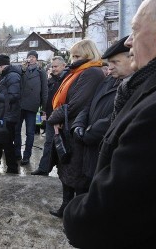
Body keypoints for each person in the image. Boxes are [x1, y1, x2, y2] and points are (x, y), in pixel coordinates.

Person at [63, 0, 156, 247]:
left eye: (136, 30)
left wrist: (75, 212)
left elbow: (111, 213)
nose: (129, 42)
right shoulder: (142, 86)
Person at [47, 39, 105, 218]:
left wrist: (53, 118)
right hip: (67, 127)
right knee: (66, 170)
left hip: (76, 129)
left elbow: (76, 104)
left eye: (77, 55)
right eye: (72, 55)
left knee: (77, 174)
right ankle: (66, 207)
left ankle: (76, 214)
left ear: (88, 54)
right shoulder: (78, 72)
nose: (73, 59)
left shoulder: (92, 73)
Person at [71, 35, 133, 189]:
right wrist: (78, 125)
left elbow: (115, 118)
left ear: (132, 59)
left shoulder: (133, 87)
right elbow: (88, 105)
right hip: (90, 153)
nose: (109, 67)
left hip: (102, 149)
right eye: (109, 62)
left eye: (115, 62)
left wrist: (88, 133)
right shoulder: (108, 80)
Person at [32, 56, 68, 176]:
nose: (53, 69)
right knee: (48, 143)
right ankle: (44, 168)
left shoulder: (67, 79)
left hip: (62, 118)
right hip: (50, 116)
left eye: (56, 66)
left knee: (63, 144)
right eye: (52, 66)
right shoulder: (52, 79)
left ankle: (63, 170)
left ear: (64, 65)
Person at [0, 54, 21, 174]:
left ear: (1, 66)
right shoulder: (7, 75)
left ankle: (11, 169)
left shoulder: (12, 76)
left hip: (7, 116)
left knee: (6, 145)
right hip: (3, 115)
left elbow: (14, 96)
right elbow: (8, 91)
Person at [15, 50, 48, 165]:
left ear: (36, 59)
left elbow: (44, 90)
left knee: (30, 132)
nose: (31, 59)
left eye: (33, 57)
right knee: (16, 131)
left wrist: (44, 107)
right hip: (20, 105)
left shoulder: (41, 72)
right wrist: (22, 68)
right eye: (29, 56)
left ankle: (27, 156)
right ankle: (17, 153)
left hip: (33, 105)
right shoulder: (22, 70)